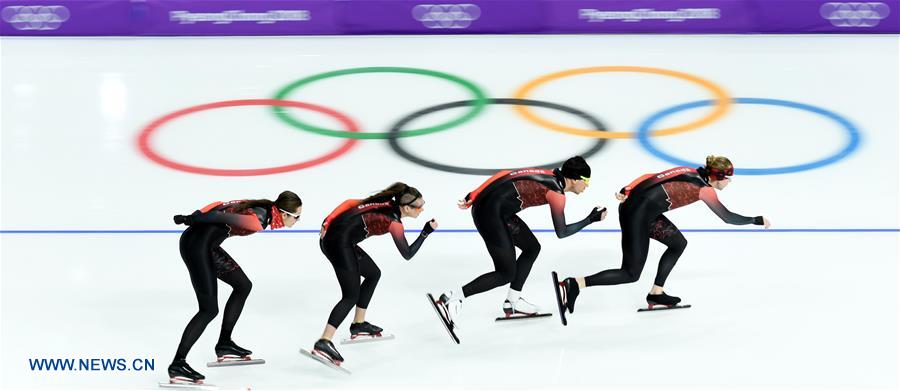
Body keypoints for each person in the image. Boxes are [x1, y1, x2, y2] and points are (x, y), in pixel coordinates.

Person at [556, 156, 771, 315]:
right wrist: (755, 220)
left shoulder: (689, 170)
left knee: (678, 243)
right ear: (718, 177)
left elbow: (651, 176)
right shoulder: (705, 190)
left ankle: (656, 293)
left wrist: (629, 187)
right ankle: (575, 284)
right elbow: (727, 217)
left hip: (644, 212)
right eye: (728, 179)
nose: (729, 183)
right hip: (636, 216)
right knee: (630, 274)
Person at [433, 156, 606, 330]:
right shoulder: (557, 194)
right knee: (505, 273)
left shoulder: (549, 174)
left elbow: (504, 174)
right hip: (490, 215)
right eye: (586, 181)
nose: (587, 186)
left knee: (532, 248)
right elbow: (562, 232)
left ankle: (513, 301)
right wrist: (591, 219)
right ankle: (451, 298)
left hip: (497, 211)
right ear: (574, 179)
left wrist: (474, 193)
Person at [167, 191, 302, 385]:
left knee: (243, 286)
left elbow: (218, 204)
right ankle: (177, 364)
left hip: (208, 245)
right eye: (296, 216)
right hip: (195, 246)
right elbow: (218, 215)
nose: (298, 221)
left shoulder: (262, 207)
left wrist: (197, 214)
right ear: (283, 213)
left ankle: (224, 344)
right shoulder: (258, 219)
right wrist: (192, 218)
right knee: (208, 310)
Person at [309, 183, 437, 366]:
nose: (422, 209)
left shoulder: (386, 202)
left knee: (373, 274)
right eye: (420, 206)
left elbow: (349, 202)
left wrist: (328, 220)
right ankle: (324, 341)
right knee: (350, 296)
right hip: (337, 244)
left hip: (338, 239)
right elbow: (407, 254)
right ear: (407, 208)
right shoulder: (394, 223)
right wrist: (426, 232)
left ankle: (358, 324)